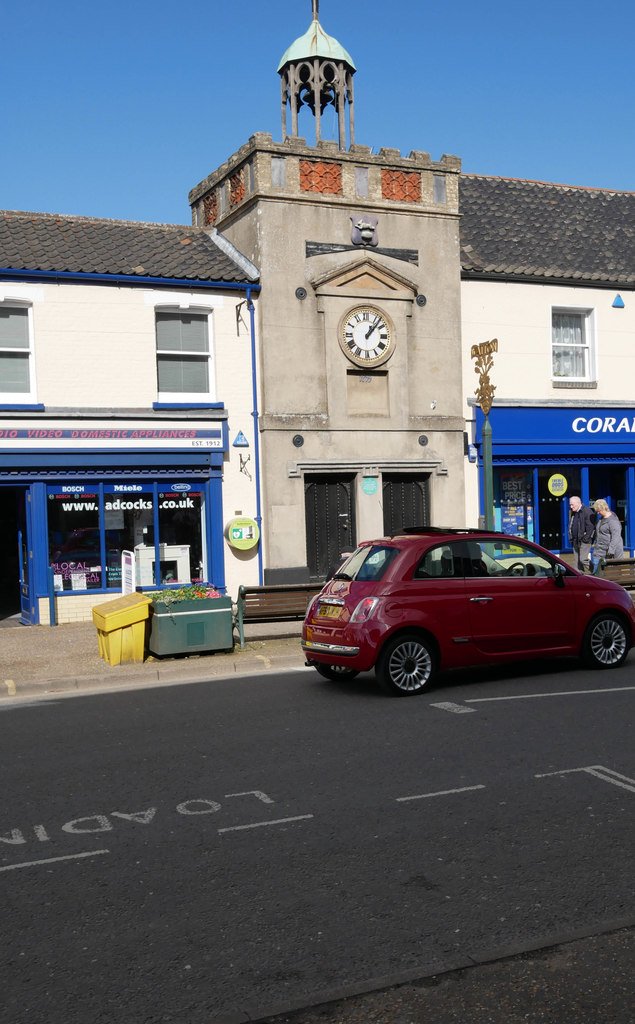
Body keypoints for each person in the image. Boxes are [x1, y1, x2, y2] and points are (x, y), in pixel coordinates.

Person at [591, 500, 624, 573]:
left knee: (612, 573)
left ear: (604, 508)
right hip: (599, 550)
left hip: (609, 552)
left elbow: (616, 537)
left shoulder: (613, 521)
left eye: (599, 511)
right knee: (596, 572)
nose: (598, 513)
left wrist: (611, 551)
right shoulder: (601, 519)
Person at [568, 495, 595, 572]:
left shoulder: (587, 511)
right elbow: (571, 525)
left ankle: (596, 571)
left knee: (583, 559)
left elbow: (591, 527)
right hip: (575, 540)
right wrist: (571, 537)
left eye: (572, 504)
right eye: (570, 504)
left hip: (584, 541)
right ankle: (579, 579)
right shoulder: (573, 512)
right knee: (577, 563)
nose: (571, 506)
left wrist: (585, 538)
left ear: (578, 503)